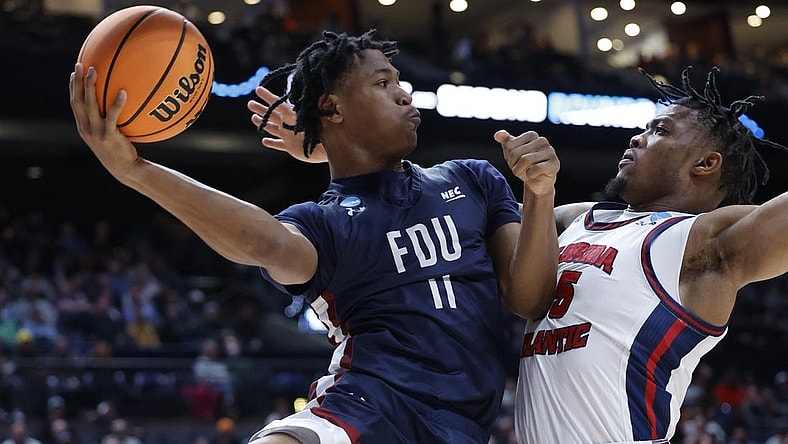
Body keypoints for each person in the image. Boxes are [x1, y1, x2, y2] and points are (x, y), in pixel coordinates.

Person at [70, 28, 560, 443]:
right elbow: (262, 242)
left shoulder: (472, 180)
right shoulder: (324, 222)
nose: (404, 93)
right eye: (383, 82)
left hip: (465, 427)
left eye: (400, 82)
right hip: (367, 408)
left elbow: (530, 298)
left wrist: (540, 191)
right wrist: (136, 170)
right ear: (333, 108)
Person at [252, 65, 788, 443]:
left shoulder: (706, 244)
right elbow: (443, 210)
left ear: (706, 165)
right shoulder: (578, 220)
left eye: (659, 131)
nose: (637, 137)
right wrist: (340, 148)